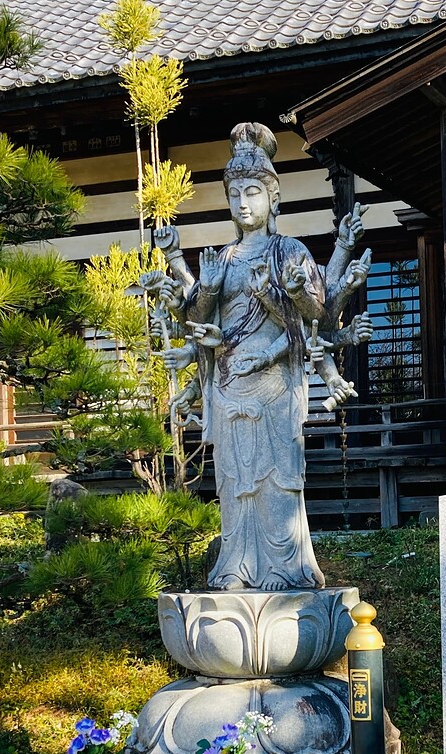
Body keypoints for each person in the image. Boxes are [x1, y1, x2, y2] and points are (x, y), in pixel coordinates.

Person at [152, 121, 370, 592]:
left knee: (277, 479)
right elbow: (194, 318)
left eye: (253, 192)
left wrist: (294, 291)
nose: (244, 203)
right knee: (234, 482)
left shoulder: (288, 250)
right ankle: (236, 566)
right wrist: (204, 285)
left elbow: (322, 314)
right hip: (230, 381)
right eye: (236, 195)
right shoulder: (224, 259)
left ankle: (285, 567)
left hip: (273, 384)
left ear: (274, 199)